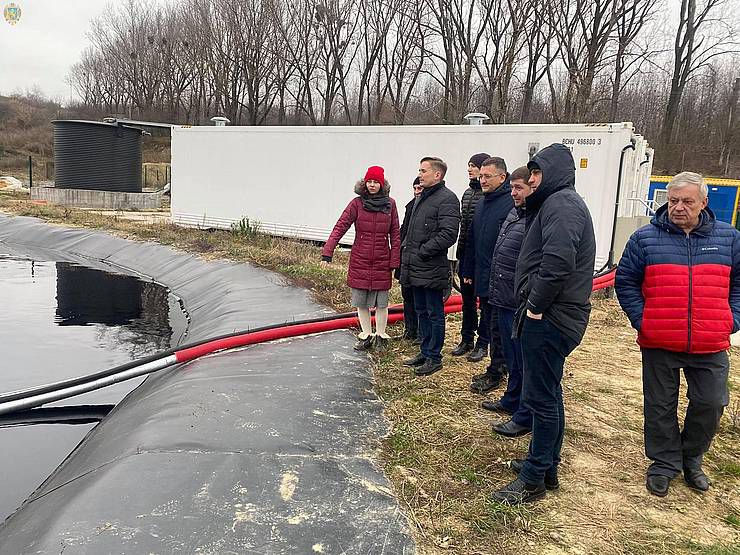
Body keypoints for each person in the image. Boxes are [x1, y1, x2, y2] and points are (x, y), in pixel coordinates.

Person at [615, 171, 740, 497]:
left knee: (711, 403)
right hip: (659, 340)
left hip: (710, 341)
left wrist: (731, 320)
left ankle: (691, 458)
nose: (679, 207)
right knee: (660, 406)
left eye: (687, 201)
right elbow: (625, 282)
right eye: (673, 201)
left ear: (704, 202)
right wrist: (643, 320)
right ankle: (664, 463)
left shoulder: (729, 238)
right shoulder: (644, 239)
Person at [492, 143, 596, 505]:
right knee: (549, 394)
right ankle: (547, 467)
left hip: (551, 317)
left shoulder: (562, 204)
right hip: (554, 315)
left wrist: (535, 306)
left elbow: (557, 262)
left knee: (541, 399)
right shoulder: (556, 203)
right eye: (531, 172)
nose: (532, 179)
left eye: (537, 173)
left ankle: (533, 479)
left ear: (553, 174)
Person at [322, 165, 401, 351]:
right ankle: (366, 335)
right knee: (361, 301)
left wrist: (395, 261)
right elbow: (340, 226)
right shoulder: (356, 204)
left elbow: (395, 234)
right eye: (369, 181)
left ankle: (380, 336)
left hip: (382, 259)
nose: (372, 185)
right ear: (364, 183)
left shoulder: (390, 204)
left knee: (382, 302)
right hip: (360, 259)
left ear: (382, 184)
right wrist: (328, 251)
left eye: (376, 182)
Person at [483, 166, 534, 438]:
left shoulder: (535, 218)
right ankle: (511, 399)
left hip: (517, 301)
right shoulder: (515, 213)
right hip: (502, 296)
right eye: (512, 188)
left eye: (519, 188)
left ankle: (524, 413)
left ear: (532, 188)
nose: (513, 193)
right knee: (511, 357)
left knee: (522, 360)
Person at [400, 157, 461, 376]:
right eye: (419, 170)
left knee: (434, 313)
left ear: (437, 174)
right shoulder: (422, 198)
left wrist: (423, 251)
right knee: (421, 311)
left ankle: (434, 357)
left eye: (423, 171)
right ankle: (424, 351)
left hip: (431, 267)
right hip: (415, 267)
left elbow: (448, 234)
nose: (420, 174)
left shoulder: (447, 199)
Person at [460, 157, 513, 394]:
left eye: (487, 176)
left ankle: (498, 369)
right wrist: (468, 269)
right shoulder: (482, 203)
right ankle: (495, 367)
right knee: (491, 322)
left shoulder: (510, 204)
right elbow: (472, 239)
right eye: (481, 176)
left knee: (499, 328)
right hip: (483, 274)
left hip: (502, 278)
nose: (482, 180)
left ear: (502, 177)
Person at [452, 152, 490, 361]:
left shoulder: (488, 196)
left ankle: (483, 343)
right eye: (469, 165)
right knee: (467, 302)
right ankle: (466, 338)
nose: (470, 169)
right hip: (464, 255)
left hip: (481, 260)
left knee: (485, 303)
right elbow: (464, 228)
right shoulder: (467, 194)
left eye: (474, 166)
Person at [396, 177, 423, 342]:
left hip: (419, 260)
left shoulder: (428, 207)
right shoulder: (410, 206)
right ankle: (410, 330)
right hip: (405, 258)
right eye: (415, 188)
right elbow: (403, 230)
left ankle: (420, 333)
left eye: (420, 188)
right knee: (407, 296)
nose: (417, 191)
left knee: (419, 299)